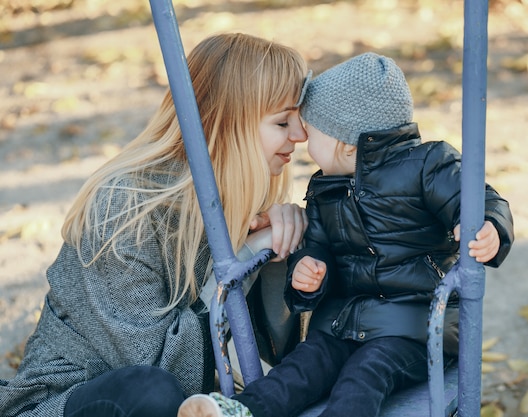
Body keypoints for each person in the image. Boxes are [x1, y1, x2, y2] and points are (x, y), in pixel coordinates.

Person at [177, 52, 514, 417]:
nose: (302, 134)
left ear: (349, 144)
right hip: (344, 323)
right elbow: (320, 248)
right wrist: (309, 271)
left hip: (417, 327)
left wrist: (485, 225)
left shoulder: (429, 165)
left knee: (364, 375)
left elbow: (479, 198)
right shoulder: (325, 188)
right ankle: (242, 411)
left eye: (313, 129)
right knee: (301, 367)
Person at [0, 33, 312, 417]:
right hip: (70, 400)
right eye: (283, 121)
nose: (300, 136)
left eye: (301, 119)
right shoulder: (124, 206)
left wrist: (278, 254)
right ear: (228, 123)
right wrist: (246, 255)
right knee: (151, 390)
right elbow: (160, 364)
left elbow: (267, 357)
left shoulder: (243, 204)